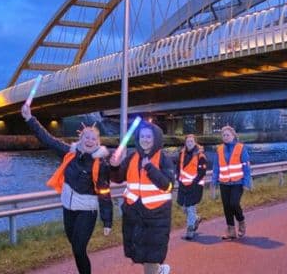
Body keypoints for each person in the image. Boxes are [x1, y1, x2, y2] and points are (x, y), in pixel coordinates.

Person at [21, 103, 112, 274]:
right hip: (68, 209)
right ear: (81, 139)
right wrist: (29, 118)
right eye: (87, 137)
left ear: (98, 142)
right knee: (75, 247)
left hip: (87, 211)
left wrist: (107, 221)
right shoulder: (69, 153)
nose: (90, 141)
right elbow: (47, 139)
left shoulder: (100, 164)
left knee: (79, 248)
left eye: (94, 139)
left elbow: (105, 192)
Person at [110, 121, 174, 274]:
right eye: (142, 136)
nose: (145, 139)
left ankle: (156, 270)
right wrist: (114, 166)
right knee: (142, 255)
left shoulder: (163, 159)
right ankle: (159, 270)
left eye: (149, 137)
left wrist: (150, 168)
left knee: (150, 257)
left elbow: (169, 185)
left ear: (156, 139)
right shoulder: (132, 157)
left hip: (156, 217)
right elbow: (118, 178)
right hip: (135, 215)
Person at [212, 125, 252, 240]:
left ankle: (241, 221)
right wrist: (214, 181)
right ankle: (231, 231)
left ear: (233, 136)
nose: (225, 137)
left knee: (234, 204)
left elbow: (246, 167)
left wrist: (246, 182)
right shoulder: (219, 149)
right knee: (226, 207)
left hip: (237, 182)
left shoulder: (241, 148)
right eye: (223, 135)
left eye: (228, 135)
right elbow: (216, 166)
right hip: (224, 182)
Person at [176, 134, 207, 240]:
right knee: (184, 207)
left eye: (191, 142)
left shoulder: (200, 155)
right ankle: (196, 219)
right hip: (183, 184)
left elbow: (202, 172)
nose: (189, 143)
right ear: (185, 143)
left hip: (195, 185)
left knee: (190, 207)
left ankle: (190, 231)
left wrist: (194, 182)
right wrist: (178, 177)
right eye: (188, 141)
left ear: (195, 143)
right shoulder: (182, 153)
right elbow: (178, 166)